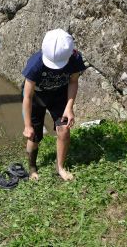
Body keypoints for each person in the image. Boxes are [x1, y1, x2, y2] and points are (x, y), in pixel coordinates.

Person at [21, 29, 86, 181]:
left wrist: (69, 108)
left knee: (64, 130)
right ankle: (32, 167)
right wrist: (27, 125)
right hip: (36, 96)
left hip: (59, 95)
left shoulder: (75, 59)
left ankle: (60, 167)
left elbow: (73, 81)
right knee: (33, 136)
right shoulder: (35, 64)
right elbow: (27, 96)